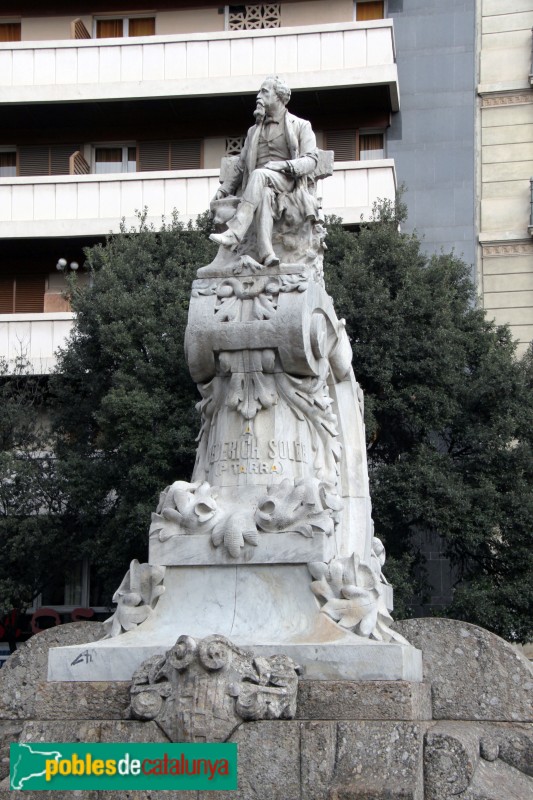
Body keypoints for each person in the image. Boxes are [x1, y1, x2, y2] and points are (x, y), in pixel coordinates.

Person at [209, 76, 319, 267]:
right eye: (259, 91)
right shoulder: (253, 130)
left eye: (264, 92)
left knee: (259, 174)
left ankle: (234, 232)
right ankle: (267, 254)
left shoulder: (300, 125)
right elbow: (241, 165)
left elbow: (311, 160)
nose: (258, 96)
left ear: (279, 97)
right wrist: (224, 189)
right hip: (261, 186)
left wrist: (283, 166)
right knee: (265, 192)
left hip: (287, 181)